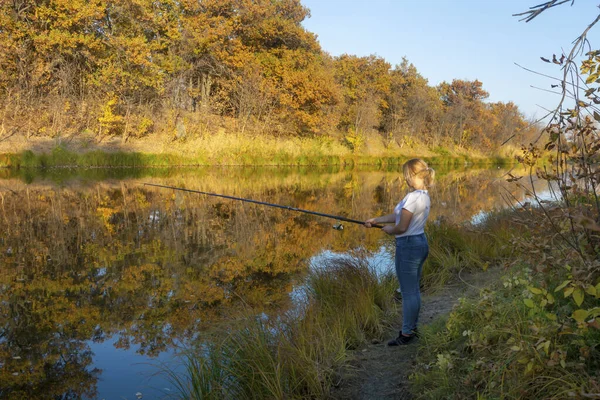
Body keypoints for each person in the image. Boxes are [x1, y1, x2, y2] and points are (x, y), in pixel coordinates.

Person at [365, 158, 435, 346]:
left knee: (408, 292)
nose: (404, 178)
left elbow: (401, 226)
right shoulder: (423, 195)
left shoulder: (412, 197)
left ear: (412, 175)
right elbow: (398, 216)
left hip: (408, 246)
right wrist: (375, 220)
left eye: (406, 175)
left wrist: (389, 230)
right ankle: (411, 328)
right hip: (420, 243)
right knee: (413, 290)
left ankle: (406, 334)